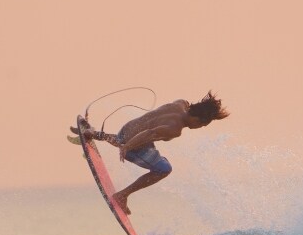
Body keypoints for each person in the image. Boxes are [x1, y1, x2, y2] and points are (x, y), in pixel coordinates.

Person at [79, 91, 229, 214]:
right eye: (202, 125)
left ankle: (94, 134)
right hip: (133, 145)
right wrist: (126, 147)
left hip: (126, 129)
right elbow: (148, 133)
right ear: (197, 119)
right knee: (164, 169)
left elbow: (148, 130)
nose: (199, 127)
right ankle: (122, 195)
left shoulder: (180, 103)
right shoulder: (174, 129)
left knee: (138, 144)